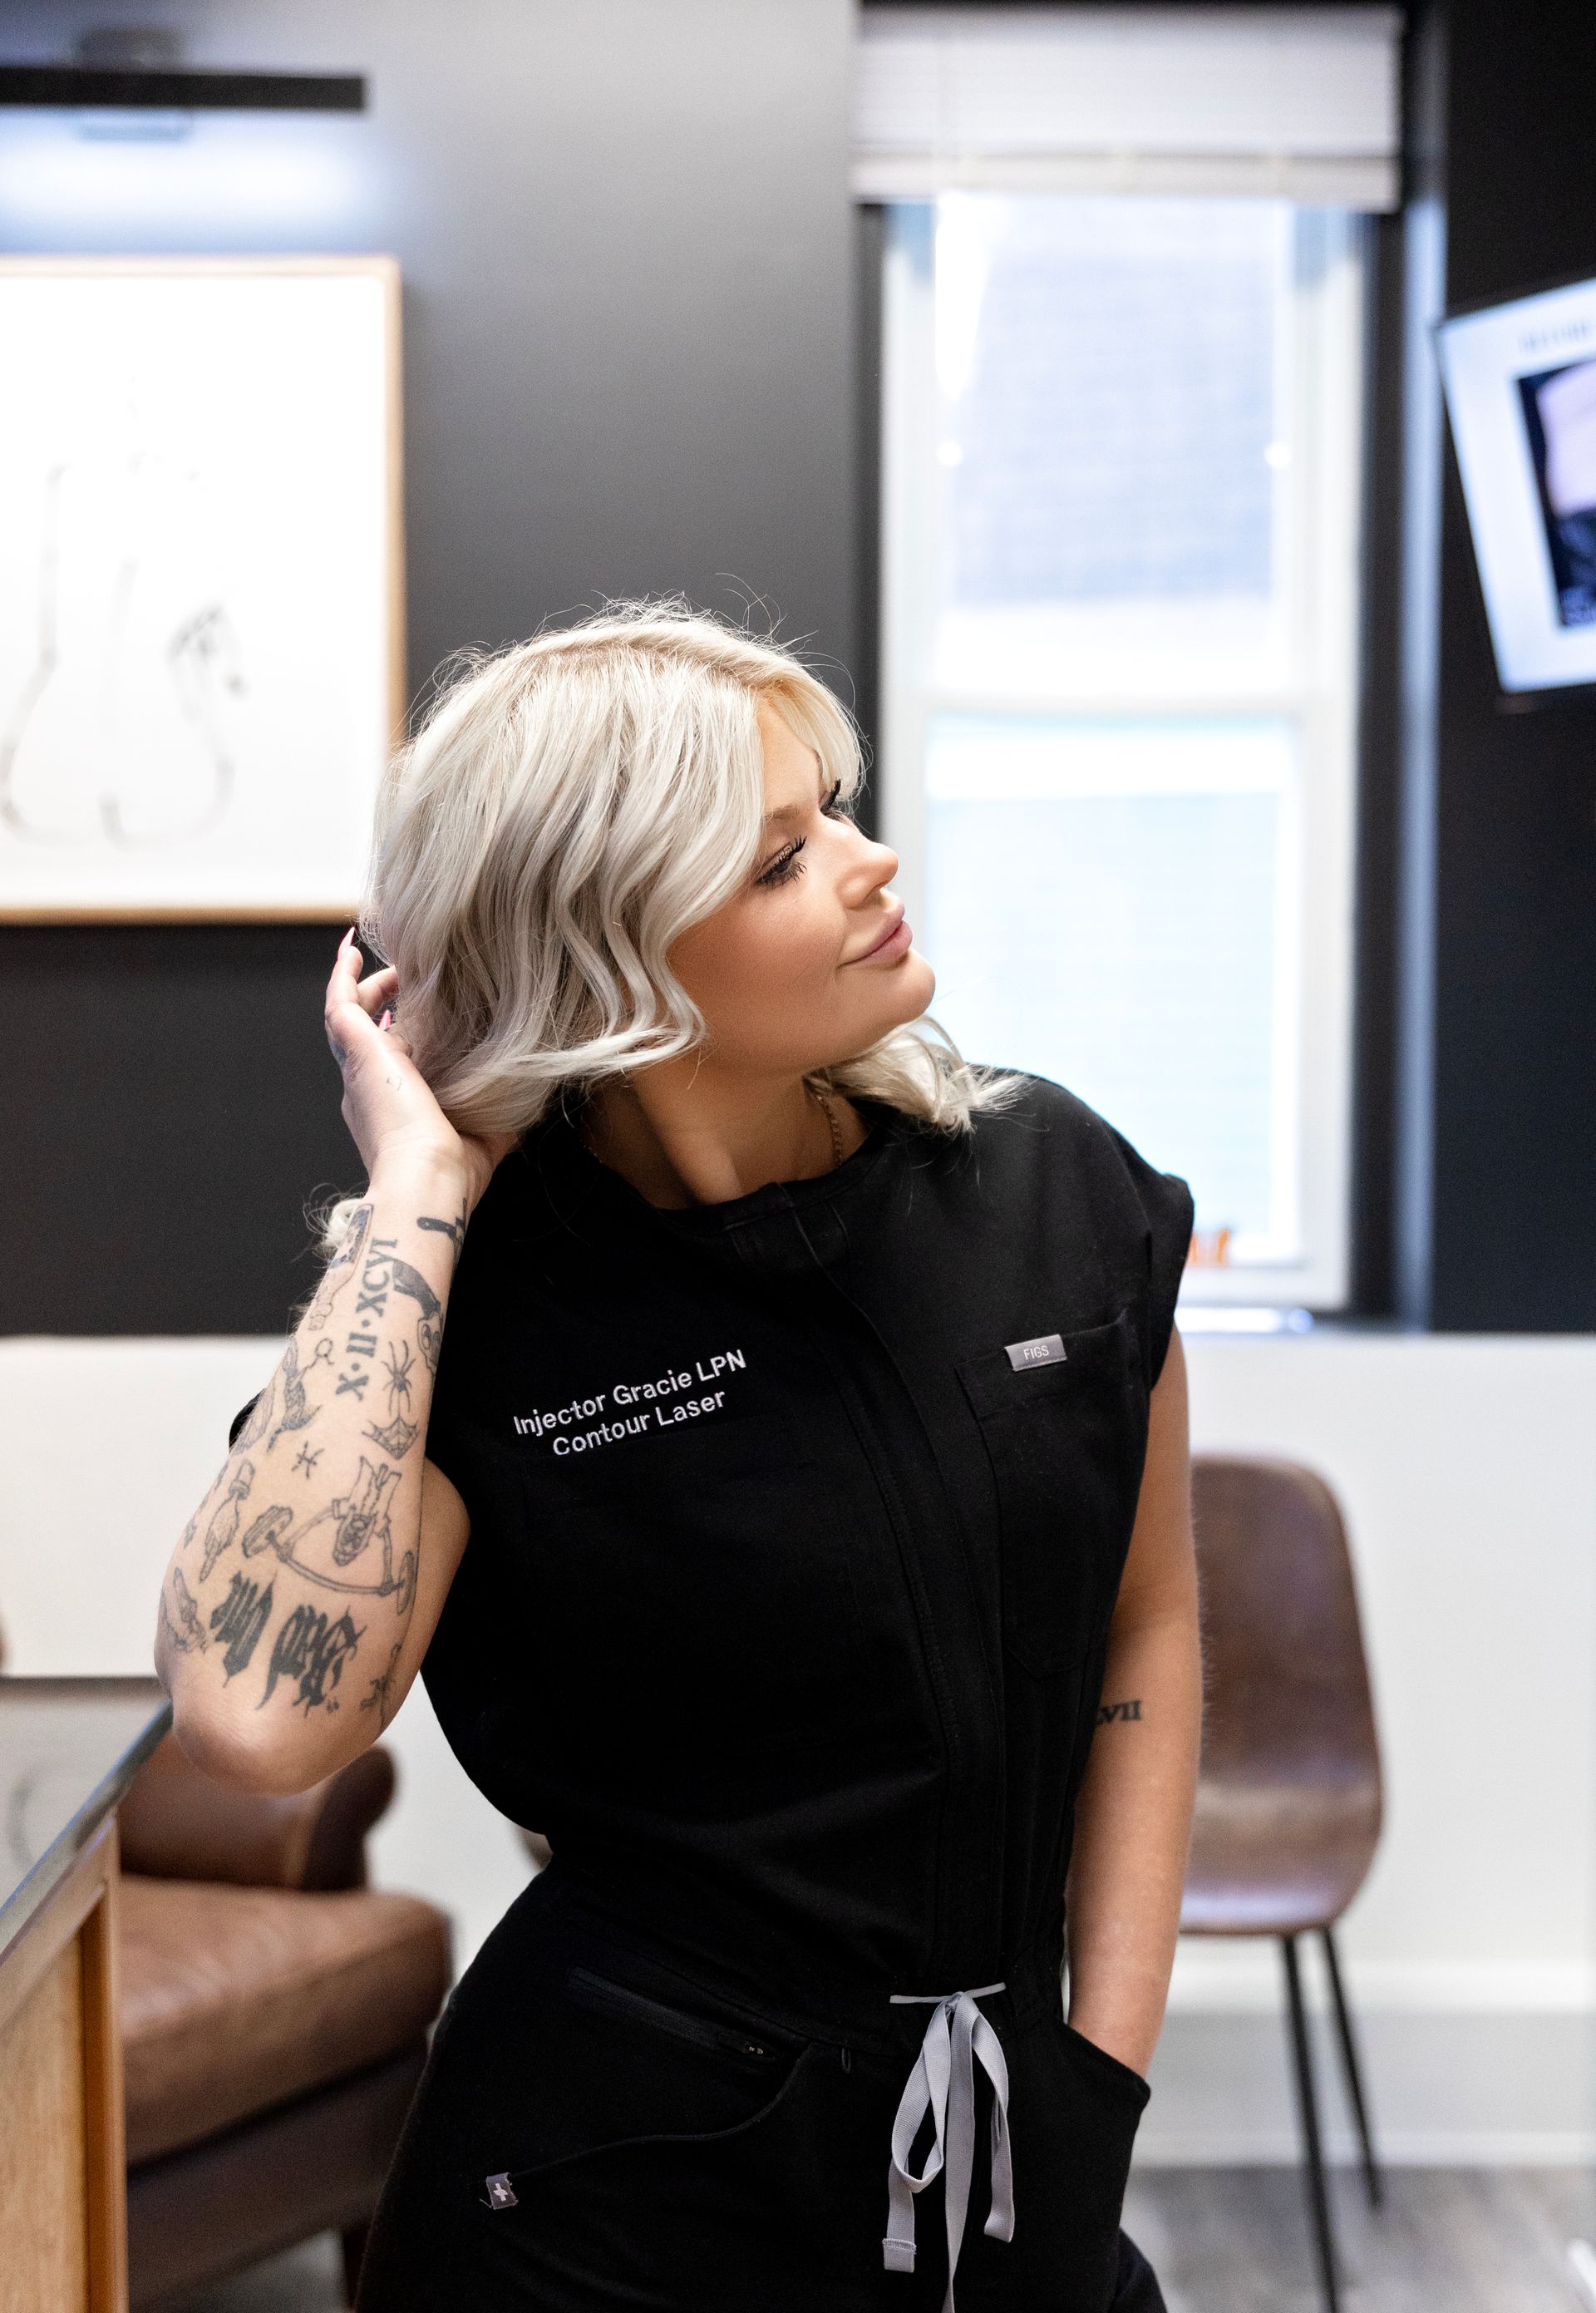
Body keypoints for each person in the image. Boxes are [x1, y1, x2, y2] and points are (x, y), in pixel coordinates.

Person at [155, 604, 1200, 2313]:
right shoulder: (483, 1306)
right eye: (785, 857)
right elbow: (258, 1725)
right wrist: (418, 1186)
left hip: (1014, 2145)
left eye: (839, 810)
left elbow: (1145, 1624)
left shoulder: (1056, 1194)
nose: (869, 866)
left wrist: (1103, 2062)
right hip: (594, 2201)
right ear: (614, 960)